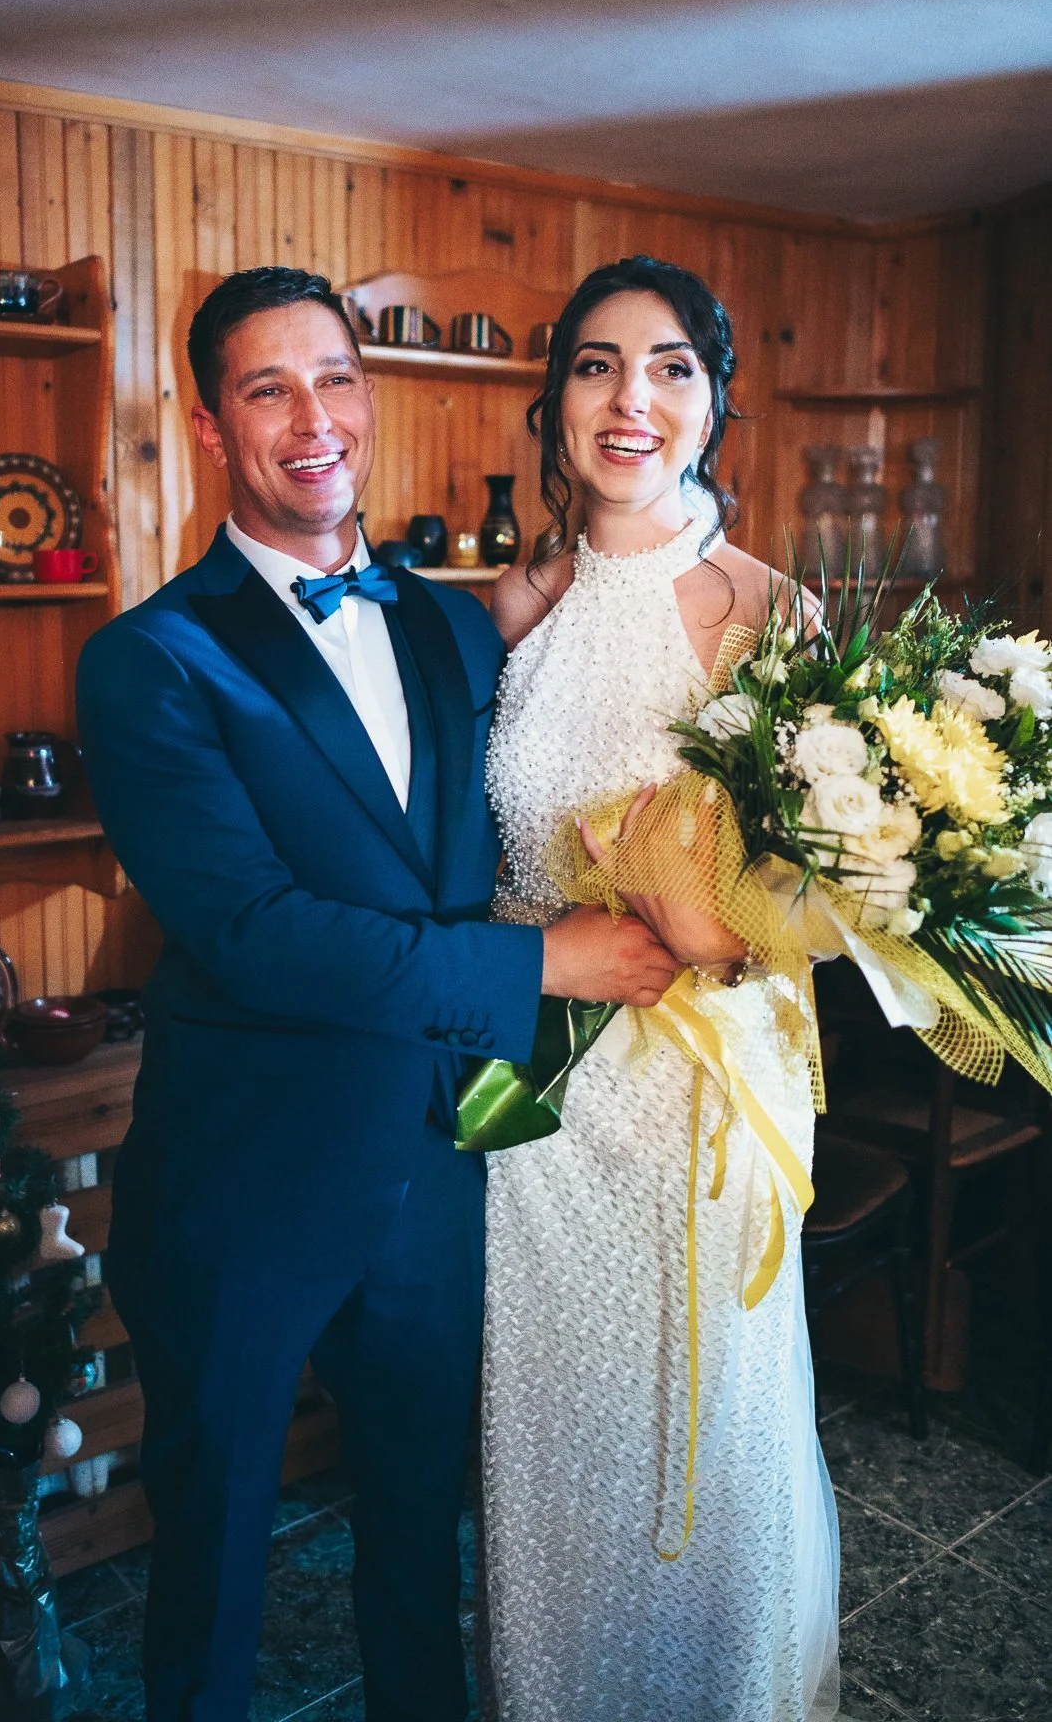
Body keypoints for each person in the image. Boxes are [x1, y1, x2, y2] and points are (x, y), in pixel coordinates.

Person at [75, 265, 679, 1722]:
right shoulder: (147, 662)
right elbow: (254, 930)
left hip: (439, 1162)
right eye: (266, 388)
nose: (311, 418)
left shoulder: (455, 629)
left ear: (368, 393)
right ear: (213, 425)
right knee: (212, 1556)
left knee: (422, 1536)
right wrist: (546, 964)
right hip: (243, 1184)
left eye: (334, 377)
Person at [481, 255, 841, 1720]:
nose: (633, 398)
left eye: (672, 366)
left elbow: (830, 898)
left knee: (708, 1445)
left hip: (702, 1110)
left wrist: (725, 932)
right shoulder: (510, 612)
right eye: (596, 365)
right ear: (556, 402)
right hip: (538, 1108)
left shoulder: (773, 615)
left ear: (713, 404)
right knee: (558, 1444)